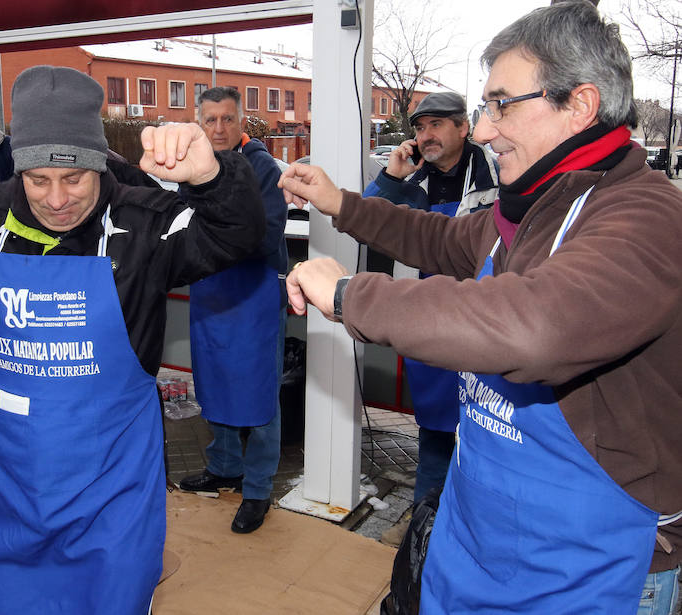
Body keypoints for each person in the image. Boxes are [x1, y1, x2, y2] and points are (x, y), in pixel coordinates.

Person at [278, 3, 682, 613]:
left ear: (581, 105)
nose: (486, 129)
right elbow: (436, 239)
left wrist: (347, 294)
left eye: (501, 104)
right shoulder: (519, 212)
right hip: (477, 538)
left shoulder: (646, 217)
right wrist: (341, 202)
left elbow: (534, 326)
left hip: (591, 564)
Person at [0, 65, 264, 614]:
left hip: (115, 475)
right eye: (38, 180)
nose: (57, 198)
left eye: (74, 179)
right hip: (15, 475)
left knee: (113, 598)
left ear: (100, 166)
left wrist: (211, 180)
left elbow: (239, 234)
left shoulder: (146, 227)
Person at [364, 92, 499, 504]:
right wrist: (391, 176)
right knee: (436, 441)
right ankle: (425, 530)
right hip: (430, 324)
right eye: (420, 128)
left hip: (484, 326)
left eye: (436, 124)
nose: (426, 135)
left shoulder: (499, 176)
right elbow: (366, 218)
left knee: (486, 441)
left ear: (464, 127)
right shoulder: (411, 182)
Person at [178, 86, 288, 534]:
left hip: (253, 292)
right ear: (199, 122)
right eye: (210, 120)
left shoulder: (262, 167)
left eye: (227, 119)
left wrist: (216, 239)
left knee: (259, 395)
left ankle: (258, 489)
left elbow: (268, 231)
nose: (219, 128)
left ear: (241, 122)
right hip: (210, 290)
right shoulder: (192, 167)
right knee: (214, 382)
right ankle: (224, 466)